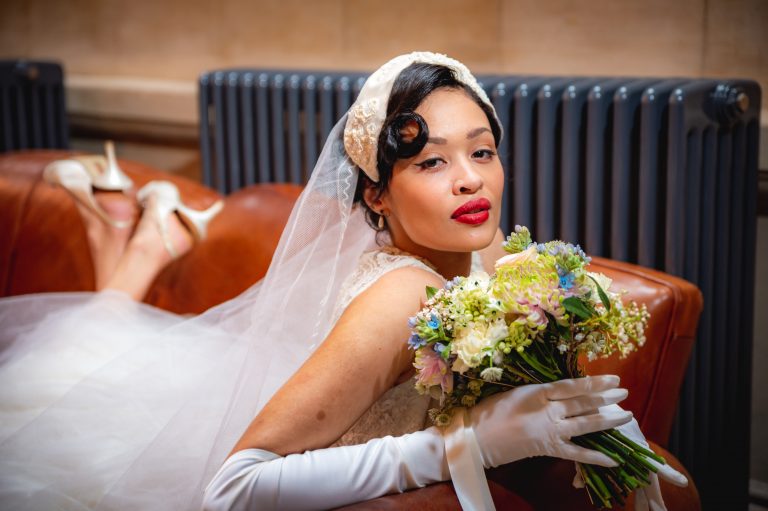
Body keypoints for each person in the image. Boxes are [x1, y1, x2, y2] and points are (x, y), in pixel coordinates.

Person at [0, 52, 685, 511]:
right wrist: (467, 444)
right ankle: (134, 250)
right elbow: (232, 488)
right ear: (377, 197)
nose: (471, 178)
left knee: (103, 328)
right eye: (430, 162)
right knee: (71, 360)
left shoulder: (484, 263)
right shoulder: (401, 297)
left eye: (482, 151)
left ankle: (132, 255)